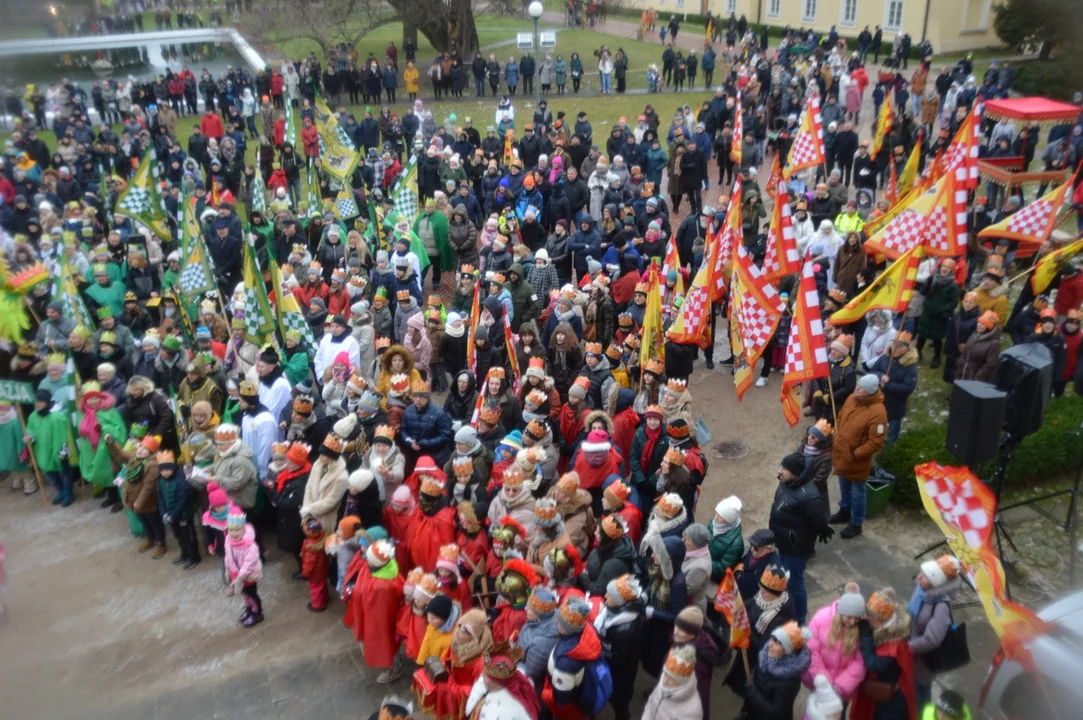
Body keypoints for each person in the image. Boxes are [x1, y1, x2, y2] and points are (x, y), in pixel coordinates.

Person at [769, 452, 832, 625]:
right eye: (781, 467)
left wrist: (823, 530)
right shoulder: (785, 483)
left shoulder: (809, 495)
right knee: (786, 578)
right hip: (782, 540)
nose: (780, 471)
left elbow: (818, 521)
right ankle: (787, 606)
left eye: (785, 469)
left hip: (796, 549)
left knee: (795, 584)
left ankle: (799, 618)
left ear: (796, 473)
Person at [830, 374, 888, 540]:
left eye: (861, 388)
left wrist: (856, 454)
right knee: (843, 486)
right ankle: (845, 511)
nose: (857, 389)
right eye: (858, 385)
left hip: (857, 462)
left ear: (869, 392)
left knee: (858, 493)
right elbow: (841, 416)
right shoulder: (852, 398)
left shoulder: (878, 413)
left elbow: (876, 443)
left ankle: (856, 524)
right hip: (842, 454)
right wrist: (836, 434)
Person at [852, 589, 917, 720]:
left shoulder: (895, 642)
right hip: (885, 694)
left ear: (880, 620)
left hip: (891, 704)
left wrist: (865, 634)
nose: (867, 618)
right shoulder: (888, 631)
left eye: (871, 616)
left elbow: (873, 664)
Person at [908, 554, 963, 706]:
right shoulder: (921, 591)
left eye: (925, 576)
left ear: (934, 581)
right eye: (921, 573)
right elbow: (911, 615)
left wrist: (907, 648)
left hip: (924, 662)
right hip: (913, 654)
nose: (919, 577)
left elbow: (931, 640)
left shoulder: (941, 607)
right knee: (910, 688)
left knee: (922, 692)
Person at [803, 583, 868, 708]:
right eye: (849, 617)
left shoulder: (862, 628)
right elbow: (812, 652)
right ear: (841, 612)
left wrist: (838, 687)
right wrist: (825, 684)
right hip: (819, 686)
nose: (853, 622)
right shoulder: (821, 619)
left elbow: (860, 662)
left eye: (857, 618)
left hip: (842, 692)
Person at [740, 621, 811, 720]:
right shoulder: (767, 655)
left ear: (788, 651)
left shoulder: (788, 681)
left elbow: (776, 712)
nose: (770, 644)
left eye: (778, 643)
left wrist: (753, 693)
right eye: (772, 638)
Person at [869, 332, 919, 447]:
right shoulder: (886, 357)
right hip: (879, 400)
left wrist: (888, 385)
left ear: (906, 349)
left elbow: (908, 388)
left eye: (899, 347)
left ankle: (890, 449)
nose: (895, 348)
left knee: (893, 428)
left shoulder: (910, 366)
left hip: (895, 404)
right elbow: (874, 371)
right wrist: (881, 377)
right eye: (895, 345)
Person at [223, 508, 265, 627]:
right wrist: (227, 568)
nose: (234, 533)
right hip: (235, 573)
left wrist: (241, 577)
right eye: (231, 530)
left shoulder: (249, 544)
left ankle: (257, 613)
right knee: (244, 594)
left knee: (252, 594)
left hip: (247, 574)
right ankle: (249, 609)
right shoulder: (228, 539)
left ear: (243, 528)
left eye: (237, 530)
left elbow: (249, 562)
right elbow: (228, 554)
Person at [643, 645, 702, 720]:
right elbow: (650, 706)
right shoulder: (664, 684)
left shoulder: (692, 711)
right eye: (666, 674)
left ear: (682, 682)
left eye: (672, 679)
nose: (665, 680)